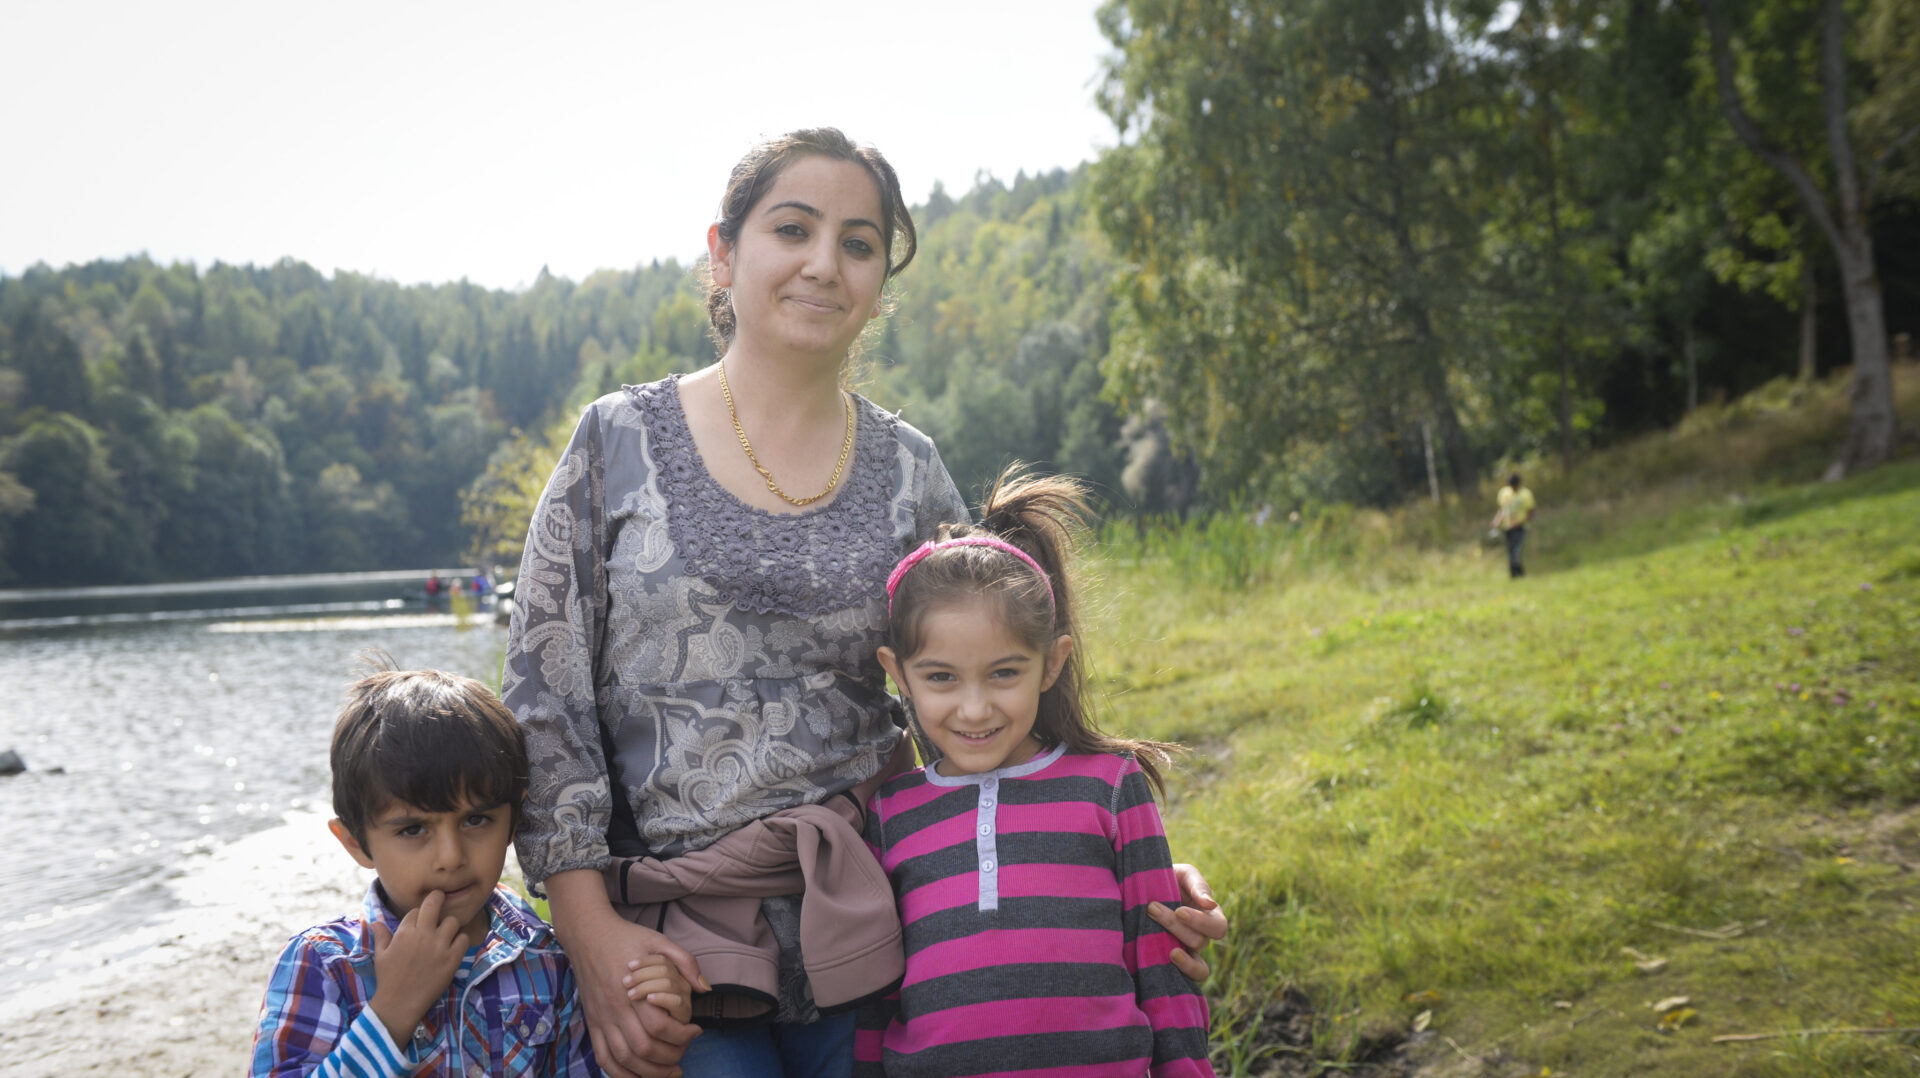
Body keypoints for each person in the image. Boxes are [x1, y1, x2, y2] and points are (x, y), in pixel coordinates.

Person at [502, 127, 1227, 1078]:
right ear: (723, 253)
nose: (823, 264)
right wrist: (589, 932)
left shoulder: (911, 470)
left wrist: (1122, 874)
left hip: (887, 929)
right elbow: (544, 697)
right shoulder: (615, 440)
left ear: (881, 283)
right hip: (668, 947)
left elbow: (981, 682)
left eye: (858, 243)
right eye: (792, 229)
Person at [857, 467, 1213, 1078]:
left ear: (1052, 664)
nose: (974, 709)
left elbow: (1161, 964)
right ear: (898, 673)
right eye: (941, 677)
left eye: (1004, 673)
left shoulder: (1109, 785)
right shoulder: (889, 814)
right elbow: (875, 993)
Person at [249, 666, 688, 1076]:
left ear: (514, 823)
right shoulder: (326, 964)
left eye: (476, 820)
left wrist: (648, 1024)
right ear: (355, 842)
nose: (451, 856)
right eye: (413, 829)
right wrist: (393, 1011)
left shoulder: (548, 961)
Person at [1491, 472, 1536, 578]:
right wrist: (1497, 520)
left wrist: (1519, 523)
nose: (1513, 487)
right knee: (1511, 550)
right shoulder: (1504, 493)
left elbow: (1531, 512)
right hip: (1508, 527)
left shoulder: (1525, 494)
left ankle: (1517, 574)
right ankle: (1516, 574)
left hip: (1521, 527)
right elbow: (1503, 510)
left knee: (1517, 550)